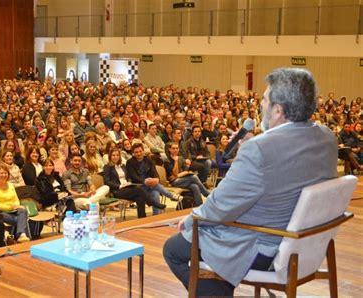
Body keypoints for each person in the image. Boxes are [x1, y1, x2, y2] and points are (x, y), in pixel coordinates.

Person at [163, 68, 337, 296]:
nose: (261, 105)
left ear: (278, 109)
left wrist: (190, 218)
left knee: (174, 248)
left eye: (264, 99)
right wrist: (256, 146)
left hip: (262, 247)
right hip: (303, 244)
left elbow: (220, 207)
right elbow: (284, 163)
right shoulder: (326, 137)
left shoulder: (260, 150)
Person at [103, 148, 166, 218]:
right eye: (113, 155)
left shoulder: (122, 166)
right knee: (138, 189)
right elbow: (107, 182)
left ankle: (142, 218)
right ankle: (153, 203)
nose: (115, 157)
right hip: (117, 190)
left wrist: (129, 182)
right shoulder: (107, 167)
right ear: (110, 157)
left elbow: (128, 177)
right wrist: (120, 185)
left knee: (139, 197)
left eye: (117, 155)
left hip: (127, 188)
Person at [126, 143, 178, 215]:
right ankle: (171, 196)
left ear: (143, 151)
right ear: (133, 153)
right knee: (154, 187)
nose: (139, 153)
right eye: (136, 152)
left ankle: (156, 216)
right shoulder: (130, 162)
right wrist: (144, 181)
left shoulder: (148, 159)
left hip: (150, 184)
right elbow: (133, 176)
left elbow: (154, 172)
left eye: (140, 151)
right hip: (139, 186)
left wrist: (156, 179)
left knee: (155, 193)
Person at [0, 165, 30, 242]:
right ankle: (20, 233)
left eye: (6, 173)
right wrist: (11, 207)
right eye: (1, 173)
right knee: (22, 219)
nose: (4, 175)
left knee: (23, 210)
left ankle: (21, 235)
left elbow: (16, 199)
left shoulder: (10, 185)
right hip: (0, 212)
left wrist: (17, 206)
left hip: (13, 211)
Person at [164, 142, 209, 207]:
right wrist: (176, 161)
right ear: (169, 149)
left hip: (182, 179)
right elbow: (174, 173)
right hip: (173, 182)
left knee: (194, 186)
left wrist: (184, 169)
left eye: (177, 148)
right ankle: (206, 193)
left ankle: (199, 205)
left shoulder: (181, 158)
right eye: (173, 148)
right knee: (193, 177)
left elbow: (185, 170)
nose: (176, 150)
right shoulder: (167, 160)